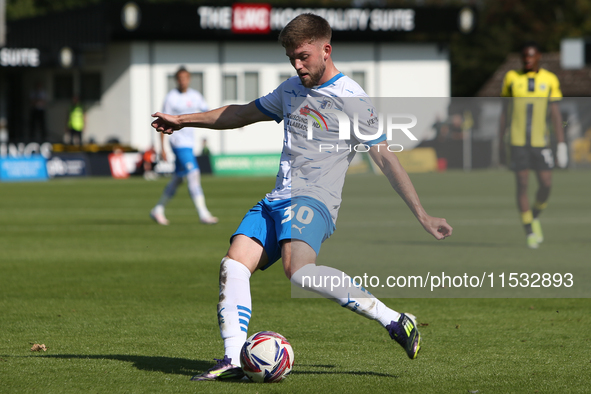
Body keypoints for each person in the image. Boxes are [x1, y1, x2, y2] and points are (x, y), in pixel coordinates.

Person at [151, 14, 453, 381]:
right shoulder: (290, 90)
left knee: (298, 270)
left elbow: (386, 158)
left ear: (326, 50)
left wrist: (422, 215)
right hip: (277, 197)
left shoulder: (352, 98)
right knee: (233, 265)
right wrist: (185, 120)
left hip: (315, 200)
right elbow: (243, 113)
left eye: (303, 56)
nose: (297, 65)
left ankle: (394, 320)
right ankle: (232, 359)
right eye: (291, 58)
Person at [499, 41, 567, 249]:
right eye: (525, 56)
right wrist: (500, 141)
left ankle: (534, 216)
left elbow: (556, 114)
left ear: (539, 57)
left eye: (531, 56)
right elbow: (504, 112)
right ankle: (529, 230)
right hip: (518, 142)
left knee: (546, 184)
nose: (528, 59)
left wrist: (562, 143)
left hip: (541, 142)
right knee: (522, 184)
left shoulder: (550, 79)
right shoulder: (512, 78)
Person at [150, 66, 218, 225]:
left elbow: (208, 113)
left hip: (190, 142)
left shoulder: (195, 96)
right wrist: (162, 148)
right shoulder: (171, 98)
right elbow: (162, 122)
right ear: (176, 80)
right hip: (177, 142)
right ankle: (203, 213)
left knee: (179, 178)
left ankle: (158, 209)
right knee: (194, 173)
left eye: (185, 78)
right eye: (180, 78)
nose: (183, 81)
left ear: (189, 79)